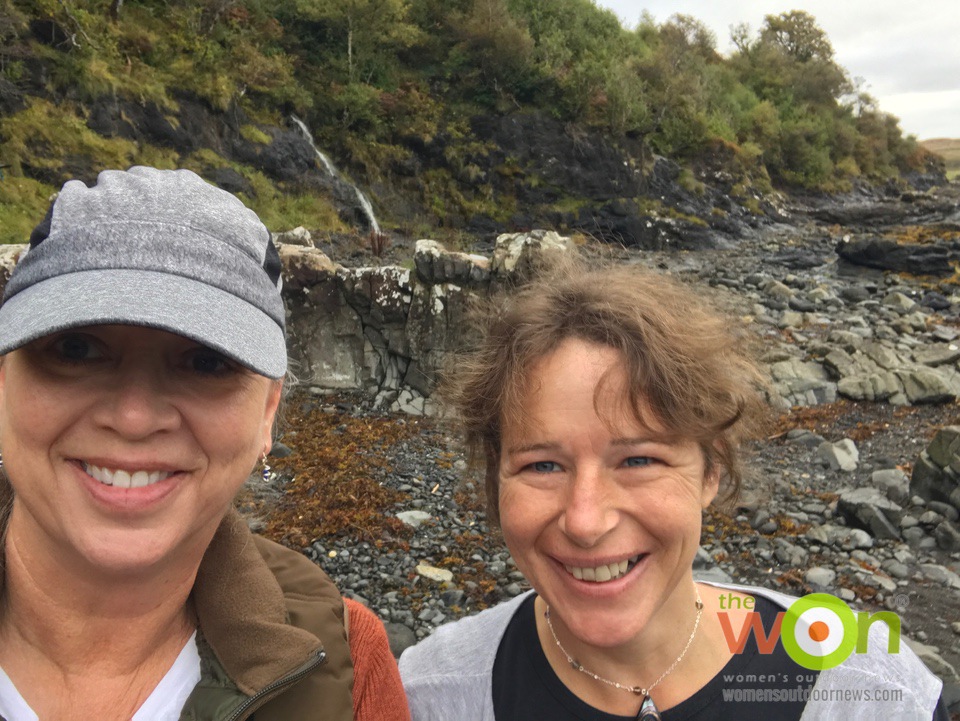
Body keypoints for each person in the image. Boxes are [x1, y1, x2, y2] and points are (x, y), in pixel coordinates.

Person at [399, 258, 948, 720]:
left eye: (639, 459)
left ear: (711, 471)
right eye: (543, 466)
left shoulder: (872, 688)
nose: (586, 521)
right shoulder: (431, 695)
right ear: (496, 479)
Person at [0, 166, 410, 720]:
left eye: (205, 362)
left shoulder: (349, 665)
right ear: (4, 378)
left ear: (268, 410)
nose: (134, 418)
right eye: (76, 350)